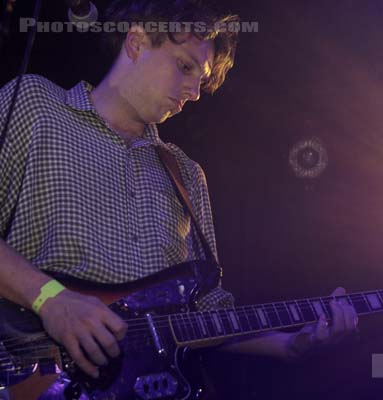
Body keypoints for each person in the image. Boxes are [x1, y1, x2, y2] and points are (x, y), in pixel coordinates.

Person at [0, 0, 358, 397]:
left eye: (200, 80)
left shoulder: (186, 173)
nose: (194, 92)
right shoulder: (36, 106)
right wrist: (51, 299)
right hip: (32, 376)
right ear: (136, 42)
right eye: (185, 67)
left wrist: (290, 345)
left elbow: (208, 314)